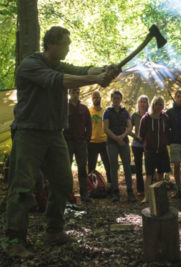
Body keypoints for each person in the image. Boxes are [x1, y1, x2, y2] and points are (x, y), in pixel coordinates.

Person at [6, 26, 118, 257]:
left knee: (64, 183)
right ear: (51, 44)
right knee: (22, 188)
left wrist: (106, 70)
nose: (68, 47)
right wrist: (96, 78)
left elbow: (82, 69)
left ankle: (54, 230)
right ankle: (14, 239)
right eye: (65, 43)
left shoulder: (58, 64)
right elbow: (60, 80)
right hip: (29, 132)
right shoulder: (31, 65)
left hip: (55, 133)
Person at [103, 90, 136, 203]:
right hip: (111, 143)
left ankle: (130, 191)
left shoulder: (125, 112)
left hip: (124, 142)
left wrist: (122, 137)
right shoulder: (107, 112)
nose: (116, 100)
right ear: (111, 99)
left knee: (127, 166)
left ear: (121, 99)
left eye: (118, 98)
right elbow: (106, 129)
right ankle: (115, 192)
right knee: (113, 167)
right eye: (114, 98)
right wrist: (117, 138)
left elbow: (129, 126)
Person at [139, 96, 171, 203]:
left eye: (161, 104)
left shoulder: (165, 117)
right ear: (153, 104)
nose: (159, 106)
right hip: (150, 151)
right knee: (149, 175)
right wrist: (147, 145)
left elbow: (167, 132)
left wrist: (164, 142)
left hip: (162, 150)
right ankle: (147, 197)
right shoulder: (146, 118)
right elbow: (141, 134)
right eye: (157, 104)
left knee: (161, 175)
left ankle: (160, 198)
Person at [64, 87, 92, 203]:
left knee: (82, 168)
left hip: (81, 143)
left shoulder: (84, 108)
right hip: (68, 142)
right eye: (73, 92)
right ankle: (68, 194)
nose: (75, 94)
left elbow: (89, 125)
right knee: (67, 169)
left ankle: (84, 193)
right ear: (69, 93)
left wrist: (87, 139)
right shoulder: (64, 108)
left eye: (77, 92)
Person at [88, 91, 111, 190]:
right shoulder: (88, 111)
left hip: (104, 142)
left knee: (108, 166)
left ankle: (110, 185)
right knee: (91, 167)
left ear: (100, 98)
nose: (96, 99)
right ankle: (91, 187)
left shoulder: (105, 112)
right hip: (92, 142)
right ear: (92, 99)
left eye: (97, 97)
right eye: (94, 97)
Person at [130, 95, 149, 196]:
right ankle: (140, 189)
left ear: (147, 103)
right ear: (138, 103)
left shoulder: (150, 115)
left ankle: (149, 188)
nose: (142, 104)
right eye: (141, 102)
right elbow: (128, 129)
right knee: (138, 168)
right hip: (136, 144)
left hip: (148, 144)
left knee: (149, 166)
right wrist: (136, 136)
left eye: (144, 102)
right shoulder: (134, 115)